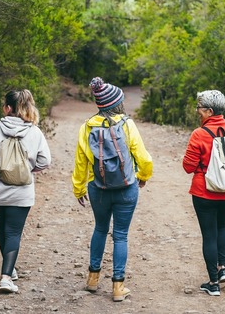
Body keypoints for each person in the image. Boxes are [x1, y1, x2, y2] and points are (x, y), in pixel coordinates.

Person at [71, 77, 153, 302]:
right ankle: (118, 288)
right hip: (127, 188)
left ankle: (92, 280)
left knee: (100, 229)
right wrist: (143, 176)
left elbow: (81, 163)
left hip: (98, 188)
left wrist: (79, 189)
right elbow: (143, 157)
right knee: (120, 235)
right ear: (116, 103)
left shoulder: (86, 127)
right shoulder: (127, 124)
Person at [0, 89, 51, 294]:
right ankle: (7, 277)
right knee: (13, 232)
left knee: (3, 230)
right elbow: (45, 161)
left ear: (8, 108)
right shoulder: (35, 132)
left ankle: (10, 269)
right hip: (22, 192)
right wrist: (25, 169)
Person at [182, 90, 225, 296]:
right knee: (221, 226)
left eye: (200, 108)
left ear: (210, 111)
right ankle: (223, 268)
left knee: (209, 234)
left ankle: (213, 283)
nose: (197, 112)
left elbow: (188, 167)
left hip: (205, 193)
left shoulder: (199, 134)